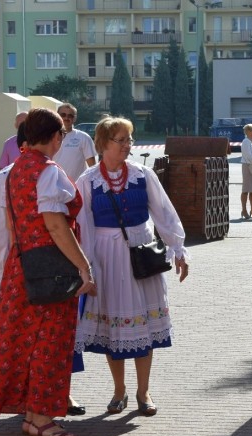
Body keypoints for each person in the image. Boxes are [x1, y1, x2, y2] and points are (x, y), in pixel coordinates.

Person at [0, 108, 97, 436]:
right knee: (50, 342)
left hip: (23, 267)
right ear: (56, 135)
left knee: (26, 341)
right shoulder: (49, 171)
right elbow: (56, 226)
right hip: (51, 267)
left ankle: (33, 417)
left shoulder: (15, 170)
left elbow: (11, 227)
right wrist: (83, 266)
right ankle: (43, 417)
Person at [75, 116, 190, 417]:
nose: (128, 145)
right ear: (103, 143)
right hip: (106, 258)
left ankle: (143, 390)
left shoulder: (142, 174)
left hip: (141, 256)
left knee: (145, 325)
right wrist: (86, 267)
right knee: (114, 327)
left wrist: (178, 249)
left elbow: (164, 212)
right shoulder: (87, 181)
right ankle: (119, 390)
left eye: (129, 139)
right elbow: (83, 227)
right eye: (122, 140)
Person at [53, 103, 97, 181]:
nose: (66, 118)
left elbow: (93, 168)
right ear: (57, 115)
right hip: (54, 187)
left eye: (70, 116)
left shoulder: (83, 137)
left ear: (75, 118)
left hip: (77, 188)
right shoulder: (48, 137)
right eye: (63, 115)